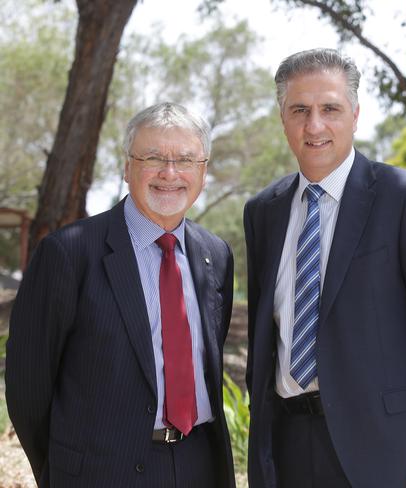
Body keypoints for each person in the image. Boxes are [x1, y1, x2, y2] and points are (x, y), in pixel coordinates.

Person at [243, 48, 406, 488]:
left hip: (384, 453)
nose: (314, 125)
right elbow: (266, 337)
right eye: (299, 110)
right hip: (286, 446)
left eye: (329, 108)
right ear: (282, 119)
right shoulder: (263, 212)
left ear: (355, 115)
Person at [6, 102, 236, 488]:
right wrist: (64, 471)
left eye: (185, 159)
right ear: (127, 167)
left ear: (204, 171)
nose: (170, 173)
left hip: (200, 468)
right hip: (100, 473)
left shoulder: (216, 255)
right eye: (153, 157)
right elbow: (29, 389)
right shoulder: (68, 254)